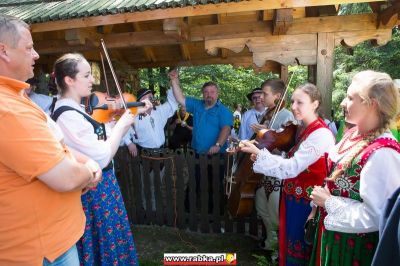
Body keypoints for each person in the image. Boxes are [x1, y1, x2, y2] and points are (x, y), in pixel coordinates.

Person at [0, 15, 101, 265]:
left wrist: (83, 161)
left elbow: (57, 146)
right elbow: (65, 178)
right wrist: (90, 169)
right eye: (29, 47)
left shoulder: (17, 98)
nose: (35, 55)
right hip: (39, 252)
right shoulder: (7, 109)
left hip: (51, 243)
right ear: (3, 51)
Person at [51, 53, 152, 265]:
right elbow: (102, 156)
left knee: (110, 242)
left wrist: (123, 122)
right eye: (86, 75)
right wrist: (123, 124)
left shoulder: (77, 109)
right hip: (94, 192)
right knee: (103, 245)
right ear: (69, 80)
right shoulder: (66, 114)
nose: (92, 80)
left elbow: (104, 141)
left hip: (103, 188)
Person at [309, 70, 400, 266]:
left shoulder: (383, 153)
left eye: (350, 98)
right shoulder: (353, 135)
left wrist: (329, 203)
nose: (343, 103)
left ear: (371, 104)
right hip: (333, 241)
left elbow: (378, 216)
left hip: (354, 252)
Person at [241, 83, 335, 266]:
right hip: (292, 200)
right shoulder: (301, 129)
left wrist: (260, 154)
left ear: (315, 104)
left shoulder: (321, 134)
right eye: (292, 101)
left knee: (301, 254)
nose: (293, 106)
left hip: (307, 204)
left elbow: (292, 167)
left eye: (300, 102)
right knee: (290, 250)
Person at [250, 79, 295, 255]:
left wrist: (267, 135)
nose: (262, 96)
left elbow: (286, 147)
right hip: (265, 171)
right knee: (261, 206)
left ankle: (279, 252)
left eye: (265, 93)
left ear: (277, 95)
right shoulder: (268, 114)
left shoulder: (286, 116)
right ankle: (270, 243)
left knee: (275, 212)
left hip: (278, 173)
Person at [169, 69, 232, 154]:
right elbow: (180, 99)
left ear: (217, 94)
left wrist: (218, 145)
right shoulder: (197, 104)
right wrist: (173, 80)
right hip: (196, 152)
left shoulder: (224, 110)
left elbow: (226, 129)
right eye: (206, 92)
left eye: (212, 92)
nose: (209, 95)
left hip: (215, 154)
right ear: (203, 94)